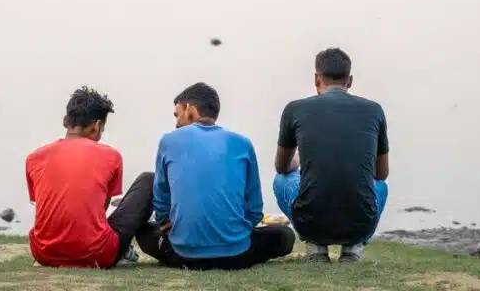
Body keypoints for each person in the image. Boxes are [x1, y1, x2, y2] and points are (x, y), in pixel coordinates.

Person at [138, 82, 295, 270]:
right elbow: (254, 210)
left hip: (183, 254)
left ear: (190, 110)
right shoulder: (243, 144)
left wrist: (166, 224)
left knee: (143, 231)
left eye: (177, 114)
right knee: (285, 235)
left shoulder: (168, 141)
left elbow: (162, 204)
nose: (176, 123)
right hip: (236, 255)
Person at [273, 48, 389, 263]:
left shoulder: (294, 109)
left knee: (282, 181)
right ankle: (352, 247)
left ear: (317, 79)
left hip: (310, 221)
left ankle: (316, 245)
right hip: (361, 222)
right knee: (381, 186)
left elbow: (281, 167)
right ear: (350, 80)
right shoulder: (374, 110)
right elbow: (381, 173)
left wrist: (300, 160)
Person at [26, 86, 153, 268]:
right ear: (97, 126)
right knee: (148, 181)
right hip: (97, 254)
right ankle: (125, 250)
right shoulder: (111, 156)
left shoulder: (34, 158)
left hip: (44, 253)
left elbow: (44, 205)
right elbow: (101, 209)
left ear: (65, 121)